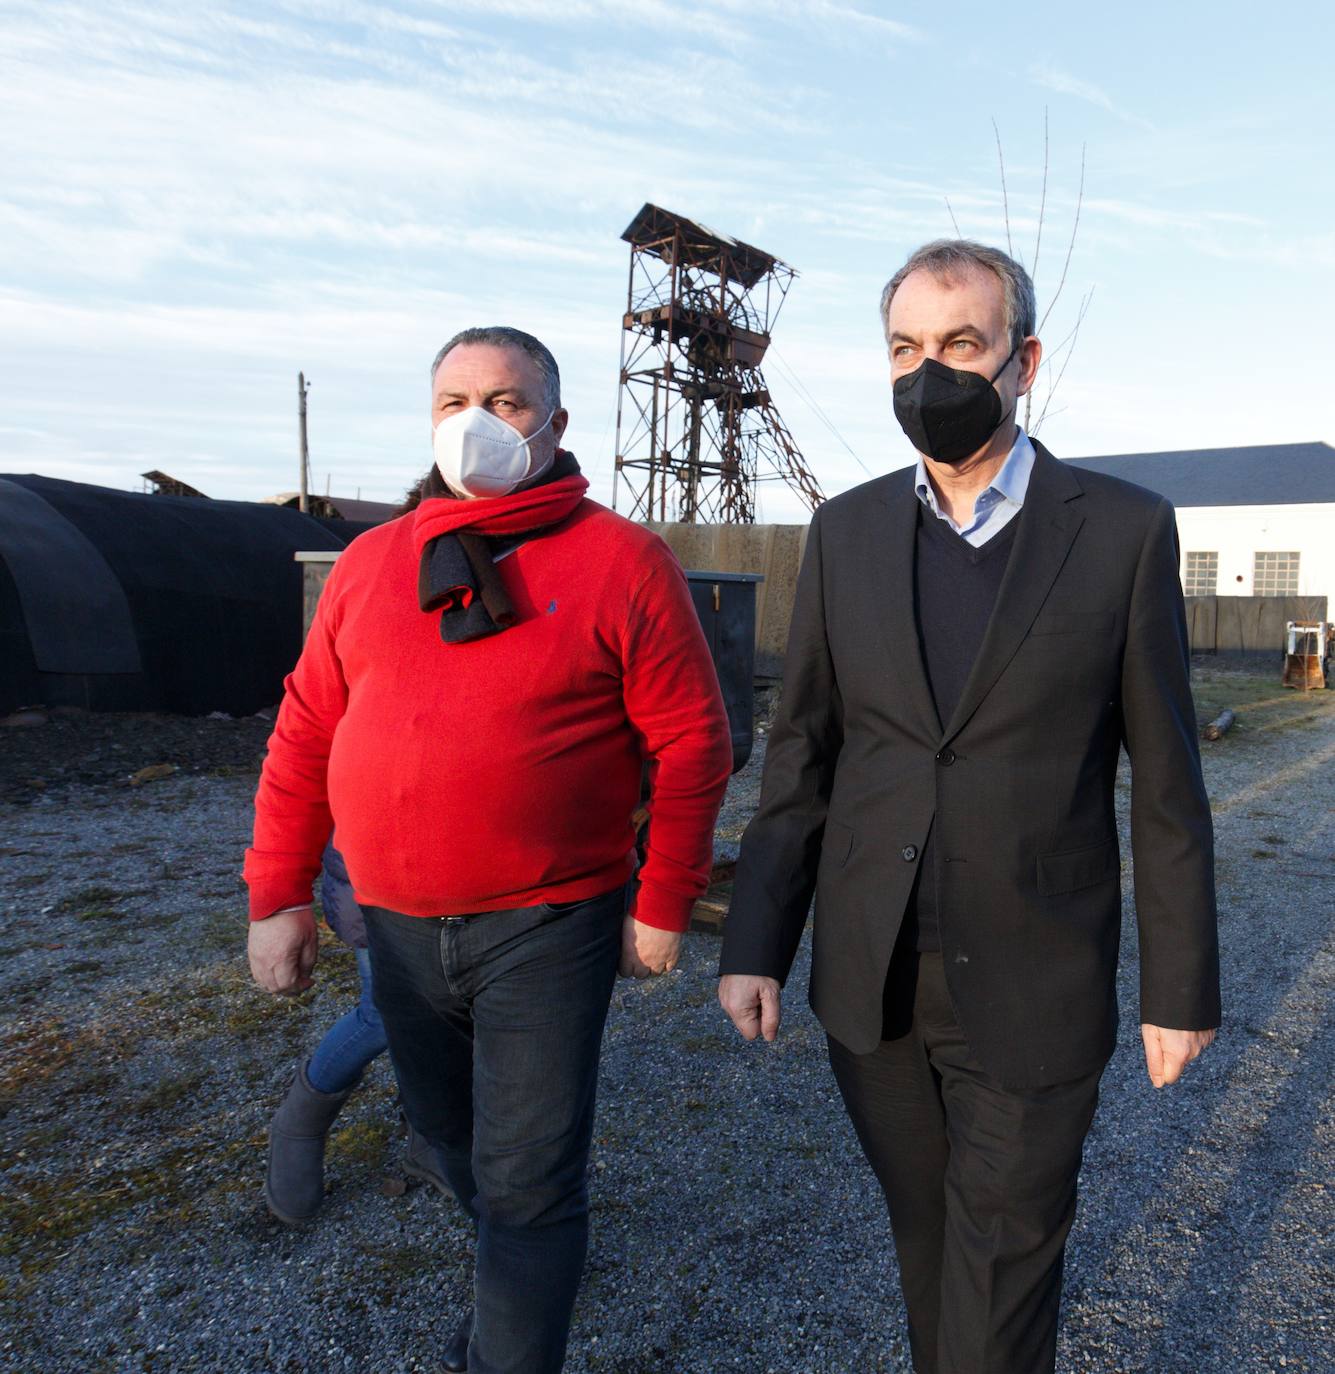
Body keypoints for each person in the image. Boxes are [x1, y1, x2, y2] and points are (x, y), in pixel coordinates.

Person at [717, 240, 1220, 1374]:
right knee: (930, 1239)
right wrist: (756, 942)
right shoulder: (843, 533)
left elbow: (1169, 781)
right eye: (904, 348)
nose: (928, 373)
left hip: (1037, 975)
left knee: (1003, 1266)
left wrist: (1179, 987)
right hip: (873, 980)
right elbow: (802, 754)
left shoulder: (1122, 530)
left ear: (1021, 359)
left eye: (960, 344)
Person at [245, 326, 733, 1374]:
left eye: (505, 401)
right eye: (452, 400)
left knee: (531, 1181)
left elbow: (694, 743)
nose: (475, 421)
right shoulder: (373, 566)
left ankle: (513, 1322)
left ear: (555, 424)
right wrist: (278, 894)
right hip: (394, 928)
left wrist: (663, 900)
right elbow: (302, 736)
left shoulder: (623, 562)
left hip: (550, 926)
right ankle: (513, 1261)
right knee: (451, 1139)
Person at [262, 838, 451, 1225]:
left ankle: (428, 1133)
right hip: (373, 876)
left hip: (457, 879)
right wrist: (281, 899)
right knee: (382, 1013)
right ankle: (300, 1123)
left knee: (443, 1009)